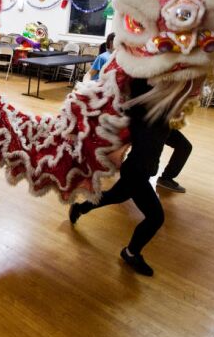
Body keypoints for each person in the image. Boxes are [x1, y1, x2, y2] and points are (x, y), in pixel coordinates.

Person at [68, 77, 168, 277]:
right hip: (137, 171)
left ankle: (80, 208)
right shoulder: (141, 112)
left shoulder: (160, 111)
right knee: (156, 217)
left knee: (116, 195)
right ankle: (131, 252)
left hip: (139, 169)